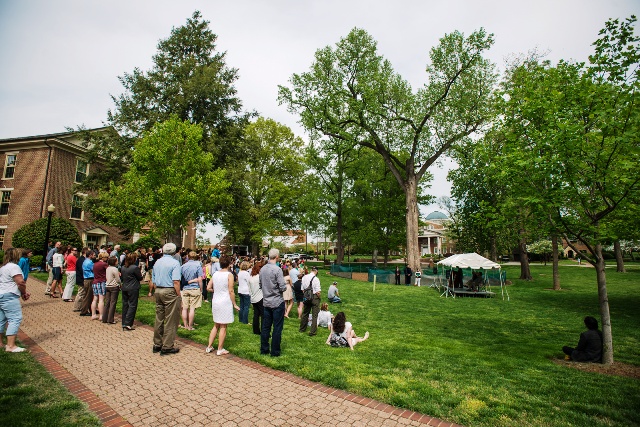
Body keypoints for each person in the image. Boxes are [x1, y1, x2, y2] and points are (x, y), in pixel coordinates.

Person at [152, 243, 182, 355]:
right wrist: (178, 294)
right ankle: (167, 346)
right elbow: (176, 281)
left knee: (159, 318)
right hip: (169, 290)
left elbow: (153, 279)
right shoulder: (175, 263)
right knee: (171, 319)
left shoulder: (157, 262)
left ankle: (157, 344)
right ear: (174, 252)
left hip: (158, 290)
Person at [206, 255, 239, 355]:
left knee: (216, 324)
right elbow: (231, 290)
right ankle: (220, 349)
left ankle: (209, 346)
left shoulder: (215, 274)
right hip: (225, 301)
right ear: (229, 264)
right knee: (223, 326)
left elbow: (208, 287)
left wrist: (215, 290)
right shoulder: (229, 275)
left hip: (216, 300)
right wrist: (234, 304)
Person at [0, 248, 31, 352]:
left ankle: (0, 343)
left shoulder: (3, 267)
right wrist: (24, 293)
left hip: (1, 295)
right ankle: (11, 346)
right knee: (15, 319)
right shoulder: (14, 267)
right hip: (10, 296)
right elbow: (20, 282)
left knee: (1, 320)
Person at [259, 248, 287, 356]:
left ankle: (264, 349)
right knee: (277, 328)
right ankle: (275, 351)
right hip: (276, 301)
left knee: (266, 327)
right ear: (277, 257)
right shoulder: (277, 270)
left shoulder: (263, 269)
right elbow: (282, 287)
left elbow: (260, 285)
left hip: (266, 301)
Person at [180, 251, 203, 330]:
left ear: (188, 257)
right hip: (194, 287)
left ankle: (185, 325)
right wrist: (201, 289)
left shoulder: (183, 266)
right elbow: (200, 279)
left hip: (185, 288)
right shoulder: (198, 265)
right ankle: (190, 326)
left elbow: (180, 278)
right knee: (192, 308)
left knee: (184, 308)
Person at [121, 252, 142, 331]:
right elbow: (140, 278)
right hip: (133, 288)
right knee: (132, 305)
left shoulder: (123, 267)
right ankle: (128, 323)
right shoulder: (134, 268)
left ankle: (124, 322)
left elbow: (122, 277)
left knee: (125, 305)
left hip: (125, 287)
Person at [299, 267, 321, 336]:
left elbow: (302, 289)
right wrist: (319, 297)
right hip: (314, 297)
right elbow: (318, 291)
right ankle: (312, 331)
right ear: (316, 271)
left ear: (311, 270)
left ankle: (302, 328)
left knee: (305, 313)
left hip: (306, 296)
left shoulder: (304, 277)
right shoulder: (316, 279)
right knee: (315, 315)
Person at [102, 256, 121, 324]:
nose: (117, 262)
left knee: (107, 302)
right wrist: (120, 283)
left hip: (107, 285)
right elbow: (117, 279)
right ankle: (110, 319)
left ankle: (104, 318)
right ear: (114, 262)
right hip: (114, 286)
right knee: (113, 303)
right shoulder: (115, 269)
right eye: (116, 261)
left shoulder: (108, 268)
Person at [91, 252, 108, 320]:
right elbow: (109, 270)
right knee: (101, 299)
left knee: (95, 299)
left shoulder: (95, 264)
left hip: (95, 282)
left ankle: (93, 314)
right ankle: (101, 315)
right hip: (101, 282)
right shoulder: (104, 264)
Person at [248, 262, 264, 335]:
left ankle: (256, 331)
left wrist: (251, 297)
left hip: (253, 298)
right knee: (264, 316)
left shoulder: (250, 278)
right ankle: (264, 331)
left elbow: (249, 289)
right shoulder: (260, 277)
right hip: (260, 297)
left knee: (256, 315)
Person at [79, 250, 96, 316]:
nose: (95, 256)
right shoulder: (89, 263)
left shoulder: (86, 261)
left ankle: (90, 309)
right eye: (93, 255)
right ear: (90, 255)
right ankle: (83, 311)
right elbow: (94, 269)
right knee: (88, 296)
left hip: (87, 279)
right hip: (89, 279)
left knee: (89, 295)